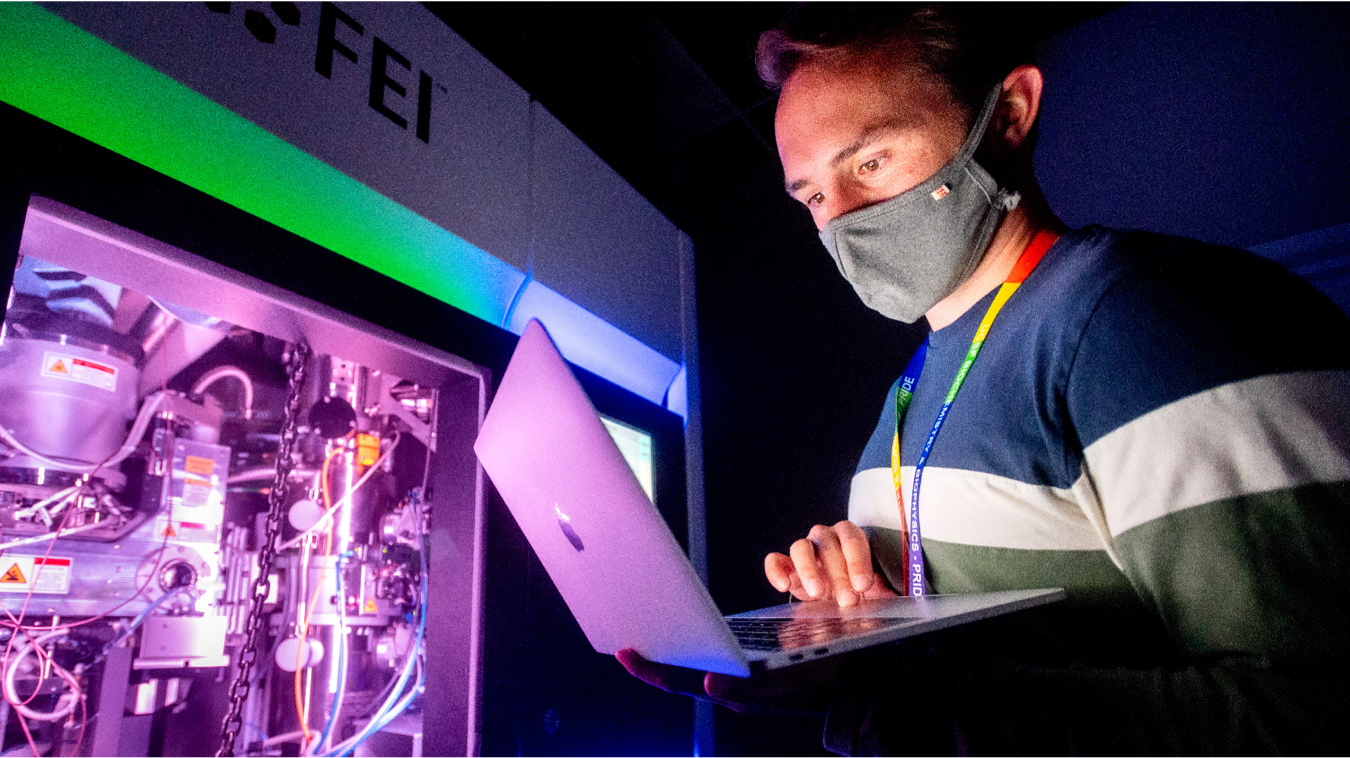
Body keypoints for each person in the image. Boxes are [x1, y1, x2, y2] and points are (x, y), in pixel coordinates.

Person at [620, 3, 1350, 754]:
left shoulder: (1149, 320)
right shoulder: (911, 385)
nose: (837, 220)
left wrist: (891, 696)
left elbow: (1313, 713)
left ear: (1008, 114)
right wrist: (868, 625)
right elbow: (984, 655)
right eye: (810, 196)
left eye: (868, 163)